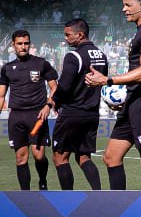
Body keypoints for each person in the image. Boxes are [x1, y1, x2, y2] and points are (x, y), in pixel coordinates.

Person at [85, 0, 141, 190]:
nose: (123, 9)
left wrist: (108, 80)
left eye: (127, 5)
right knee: (111, 157)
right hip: (133, 100)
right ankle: (118, 207)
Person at [51, 19, 108, 190]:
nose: (66, 38)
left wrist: (55, 101)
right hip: (91, 113)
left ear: (80, 34)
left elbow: (64, 86)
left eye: (68, 35)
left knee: (60, 157)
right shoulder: (101, 55)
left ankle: (68, 198)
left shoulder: (73, 56)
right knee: (84, 157)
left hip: (72, 113)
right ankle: (99, 194)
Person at [0, 30, 58, 190]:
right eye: (19, 43)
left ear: (30, 44)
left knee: (39, 156)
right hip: (16, 116)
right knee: (20, 158)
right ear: (13, 45)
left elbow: (54, 87)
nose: (23, 46)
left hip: (37, 115)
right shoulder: (7, 68)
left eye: (26, 43)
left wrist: (49, 105)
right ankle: (25, 194)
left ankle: (43, 180)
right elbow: (1, 96)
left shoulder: (41, 63)